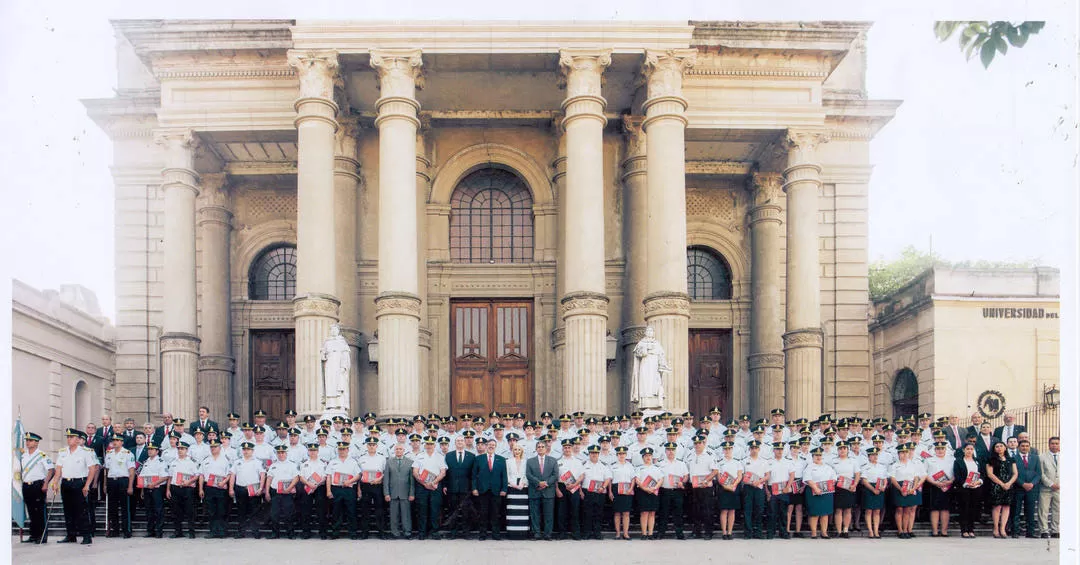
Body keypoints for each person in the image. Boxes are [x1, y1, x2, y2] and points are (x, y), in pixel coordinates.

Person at [50, 428, 99, 545]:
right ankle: (71, 535)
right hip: (66, 483)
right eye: (67, 437)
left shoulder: (85, 452)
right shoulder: (63, 452)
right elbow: (58, 470)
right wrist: (55, 482)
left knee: (81, 511)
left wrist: (87, 485)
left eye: (71, 437)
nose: (69, 439)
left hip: (79, 483)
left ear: (78, 439)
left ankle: (86, 536)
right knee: (68, 510)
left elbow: (92, 469)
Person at [19, 432, 55, 544]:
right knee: (31, 511)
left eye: (30, 440)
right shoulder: (23, 455)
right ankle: (33, 535)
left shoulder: (42, 455)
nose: (27, 442)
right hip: (26, 485)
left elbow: (51, 470)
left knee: (40, 511)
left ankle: (42, 536)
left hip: (37, 485)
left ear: (36, 442)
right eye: (27, 440)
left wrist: (46, 483)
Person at [472, 435, 508, 540]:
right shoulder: (479, 458)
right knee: (483, 513)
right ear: (486, 446)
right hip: (482, 490)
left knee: (495, 513)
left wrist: (504, 489)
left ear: (496, 446)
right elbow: (474, 475)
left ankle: (496, 534)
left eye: (493, 445)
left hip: (496, 491)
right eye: (489, 444)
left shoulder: (501, 459)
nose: (491, 446)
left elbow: (504, 476)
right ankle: (482, 534)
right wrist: (474, 488)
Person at [411, 437, 447, 540]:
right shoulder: (420, 456)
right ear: (425, 445)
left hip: (435, 486)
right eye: (428, 444)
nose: (429, 446)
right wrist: (424, 483)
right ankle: (422, 532)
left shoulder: (440, 457)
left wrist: (433, 482)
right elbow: (415, 472)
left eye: (431, 444)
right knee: (422, 510)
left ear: (434, 446)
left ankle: (434, 532)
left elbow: (443, 472)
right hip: (422, 486)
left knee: (435, 509)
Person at [685, 436, 719, 540]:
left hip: (706, 487)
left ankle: (708, 532)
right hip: (694, 487)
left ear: (704, 443)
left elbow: (715, 471)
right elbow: (687, 471)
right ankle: (697, 532)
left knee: (707, 510)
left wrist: (707, 480)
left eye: (700, 443)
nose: (697, 445)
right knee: (695, 510)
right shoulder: (690, 455)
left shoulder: (709, 455)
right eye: (695, 443)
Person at [198, 439, 233, 539]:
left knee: (222, 510)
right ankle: (213, 531)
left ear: (220, 447)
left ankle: (222, 531)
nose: (213, 448)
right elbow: (201, 475)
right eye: (211, 447)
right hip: (209, 488)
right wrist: (201, 489)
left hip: (221, 488)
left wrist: (224, 482)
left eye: (215, 447)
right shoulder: (206, 460)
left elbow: (230, 474)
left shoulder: (225, 460)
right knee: (211, 511)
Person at [326, 441, 362, 539]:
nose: (342, 451)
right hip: (336, 489)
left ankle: (353, 532)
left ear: (347, 450)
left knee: (351, 511)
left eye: (344, 449)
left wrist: (350, 481)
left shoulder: (353, 461)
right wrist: (328, 490)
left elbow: (359, 475)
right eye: (340, 449)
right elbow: (328, 476)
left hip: (349, 489)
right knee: (336, 512)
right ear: (337, 450)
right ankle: (335, 532)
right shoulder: (333, 462)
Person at [102, 434, 136, 538]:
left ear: (122, 442)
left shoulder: (127, 453)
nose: (115, 442)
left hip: (123, 480)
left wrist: (130, 486)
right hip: (112, 481)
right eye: (113, 440)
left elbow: (131, 471)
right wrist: (105, 484)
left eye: (117, 440)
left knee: (125, 507)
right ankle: (115, 530)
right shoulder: (109, 453)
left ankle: (126, 530)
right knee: (112, 507)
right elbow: (106, 470)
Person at [231, 441, 266, 539]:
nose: (246, 451)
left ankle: (255, 531)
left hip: (253, 489)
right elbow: (233, 475)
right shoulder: (237, 462)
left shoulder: (257, 462)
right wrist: (231, 488)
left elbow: (262, 475)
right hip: (240, 489)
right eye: (244, 449)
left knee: (254, 511)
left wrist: (261, 488)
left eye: (248, 449)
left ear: (252, 451)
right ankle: (241, 532)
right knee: (241, 511)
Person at [526, 440, 559, 540]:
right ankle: (536, 533)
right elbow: (528, 474)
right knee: (535, 513)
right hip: (534, 490)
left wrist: (546, 483)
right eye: (539, 447)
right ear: (536, 449)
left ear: (546, 448)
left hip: (548, 491)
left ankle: (547, 534)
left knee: (548, 514)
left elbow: (555, 475)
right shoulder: (530, 461)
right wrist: (538, 483)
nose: (540, 448)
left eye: (542, 447)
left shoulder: (553, 460)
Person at [889, 443, 924, 539]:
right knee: (900, 509)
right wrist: (900, 489)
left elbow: (916, 477)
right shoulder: (895, 465)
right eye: (902, 453)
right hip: (898, 487)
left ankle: (906, 530)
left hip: (911, 486)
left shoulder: (913, 464)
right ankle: (900, 530)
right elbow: (892, 478)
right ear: (898, 454)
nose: (904, 454)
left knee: (908, 510)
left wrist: (913, 488)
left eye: (906, 452)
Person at [443, 436, 475, 538]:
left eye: (462, 441)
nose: (460, 442)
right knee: (453, 510)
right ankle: (453, 532)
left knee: (466, 511)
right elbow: (445, 472)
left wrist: (472, 487)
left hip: (466, 488)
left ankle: (466, 532)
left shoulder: (471, 456)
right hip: (452, 487)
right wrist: (445, 485)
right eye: (458, 441)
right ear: (455, 443)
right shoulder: (448, 456)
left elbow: (473, 474)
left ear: (465, 442)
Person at [265, 444, 299, 539]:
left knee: (289, 514)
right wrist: (267, 492)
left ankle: (290, 533)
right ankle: (275, 533)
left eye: (283, 452)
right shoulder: (273, 465)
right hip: (275, 492)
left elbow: (296, 478)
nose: (281, 455)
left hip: (287, 493)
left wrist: (289, 488)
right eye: (279, 453)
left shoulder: (292, 465)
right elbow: (269, 478)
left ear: (286, 453)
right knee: (274, 514)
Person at [165, 442, 199, 538]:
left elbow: (197, 476)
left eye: (182, 449)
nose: (180, 450)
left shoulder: (192, 462)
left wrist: (189, 482)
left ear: (187, 450)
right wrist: (168, 490)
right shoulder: (173, 462)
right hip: (175, 488)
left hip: (188, 489)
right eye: (179, 449)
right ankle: (178, 532)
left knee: (190, 511)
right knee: (176, 511)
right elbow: (170, 477)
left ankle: (191, 532)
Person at [357, 437, 389, 539]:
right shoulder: (361, 458)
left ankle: (381, 532)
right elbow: (359, 475)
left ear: (377, 446)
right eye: (369, 445)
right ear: (367, 446)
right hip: (365, 486)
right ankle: (364, 532)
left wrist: (379, 479)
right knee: (364, 510)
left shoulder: (382, 458)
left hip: (377, 485)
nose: (371, 446)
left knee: (380, 510)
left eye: (373, 445)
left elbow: (385, 473)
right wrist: (358, 489)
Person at [656, 442, 688, 540]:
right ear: (665, 451)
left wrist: (682, 482)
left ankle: (679, 533)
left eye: (673, 450)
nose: (671, 452)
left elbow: (686, 476)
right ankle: (661, 533)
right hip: (664, 491)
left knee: (678, 513)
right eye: (669, 450)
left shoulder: (681, 463)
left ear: (675, 451)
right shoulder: (660, 464)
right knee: (663, 513)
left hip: (677, 491)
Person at [985, 440, 1016, 538]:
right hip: (996, 486)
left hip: (1008, 486)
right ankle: (995, 528)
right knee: (997, 507)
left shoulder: (1011, 460)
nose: (999, 448)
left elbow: (1015, 473)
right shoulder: (991, 459)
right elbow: (990, 474)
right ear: (994, 449)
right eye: (997, 446)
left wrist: (1009, 483)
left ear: (1005, 447)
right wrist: (1002, 484)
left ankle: (1003, 528)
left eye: (1001, 446)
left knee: (1006, 507)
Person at [136, 442, 168, 538]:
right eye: (149, 449)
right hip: (147, 489)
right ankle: (150, 531)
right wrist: (142, 490)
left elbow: (165, 477)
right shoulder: (146, 461)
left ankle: (159, 531)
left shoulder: (161, 462)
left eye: (152, 449)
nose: (149, 451)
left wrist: (154, 484)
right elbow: (142, 477)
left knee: (158, 510)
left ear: (157, 451)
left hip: (157, 489)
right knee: (149, 510)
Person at [952, 443, 983, 538]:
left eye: (971, 449)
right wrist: (965, 484)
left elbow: (982, 474)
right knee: (964, 509)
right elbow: (957, 476)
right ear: (963, 450)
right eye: (967, 449)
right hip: (964, 489)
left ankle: (971, 529)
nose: (969, 451)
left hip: (976, 488)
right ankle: (964, 530)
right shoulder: (958, 461)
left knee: (973, 509)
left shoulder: (977, 461)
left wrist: (979, 482)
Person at [298, 442, 329, 539]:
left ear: (318, 451)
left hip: (319, 488)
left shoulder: (323, 463)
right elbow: (301, 477)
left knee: (321, 511)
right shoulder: (304, 463)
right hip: (307, 487)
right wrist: (309, 484)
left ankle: (322, 532)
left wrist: (316, 484)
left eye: (314, 450)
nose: (313, 452)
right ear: (308, 451)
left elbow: (325, 476)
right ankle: (306, 532)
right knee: (306, 510)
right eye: (311, 450)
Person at [803, 447, 836, 539]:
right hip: (813, 492)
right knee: (815, 513)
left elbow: (834, 478)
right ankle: (814, 533)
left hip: (827, 492)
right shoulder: (809, 467)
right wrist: (815, 488)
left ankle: (824, 533)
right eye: (816, 455)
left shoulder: (827, 467)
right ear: (812, 456)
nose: (818, 457)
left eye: (820, 455)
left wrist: (829, 485)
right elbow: (807, 479)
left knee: (825, 513)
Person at [923, 440, 955, 537]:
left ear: (945, 449)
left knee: (945, 508)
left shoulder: (951, 459)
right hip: (933, 486)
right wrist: (933, 482)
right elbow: (924, 473)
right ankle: (935, 531)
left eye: (942, 449)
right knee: (934, 509)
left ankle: (944, 531)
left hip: (947, 486)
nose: (940, 451)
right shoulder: (929, 460)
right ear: (934, 449)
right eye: (938, 449)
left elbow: (956, 472)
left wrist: (951, 481)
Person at [554, 439, 584, 540]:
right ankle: (562, 533)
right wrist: (557, 489)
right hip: (562, 486)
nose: (567, 449)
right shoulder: (558, 462)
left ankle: (576, 532)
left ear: (572, 448)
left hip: (574, 486)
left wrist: (575, 484)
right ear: (562, 449)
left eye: (569, 447)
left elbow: (582, 475)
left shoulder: (577, 461)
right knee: (562, 511)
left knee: (575, 510)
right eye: (565, 447)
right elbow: (555, 477)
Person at [580, 445, 611, 540]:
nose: (594, 455)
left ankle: (597, 533)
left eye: (596, 453)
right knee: (587, 513)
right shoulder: (584, 464)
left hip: (600, 491)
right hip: (587, 491)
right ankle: (587, 533)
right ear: (589, 454)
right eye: (592, 453)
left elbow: (607, 478)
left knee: (599, 513)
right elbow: (579, 479)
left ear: (599, 454)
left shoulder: (604, 465)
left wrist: (603, 487)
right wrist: (580, 491)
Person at [830, 440, 859, 538]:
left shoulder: (853, 461)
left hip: (849, 486)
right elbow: (830, 473)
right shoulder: (833, 461)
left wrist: (855, 484)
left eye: (844, 448)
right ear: (837, 450)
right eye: (840, 449)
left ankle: (845, 530)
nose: (842, 450)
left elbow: (857, 474)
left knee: (848, 509)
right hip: (837, 487)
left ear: (848, 450)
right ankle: (839, 531)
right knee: (838, 510)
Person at [766, 441, 795, 540]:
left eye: (781, 449)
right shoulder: (769, 462)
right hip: (772, 488)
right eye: (777, 449)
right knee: (772, 512)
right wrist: (767, 491)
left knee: (783, 512)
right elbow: (766, 477)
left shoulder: (788, 462)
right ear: (774, 450)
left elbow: (792, 475)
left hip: (784, 489)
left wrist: (788, 486)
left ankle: (783, 532)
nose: (779, 451)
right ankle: (771, 532)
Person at [1013, 438, 1041, 538]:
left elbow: (1038, 474)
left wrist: (1032, 484)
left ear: (1029, 447)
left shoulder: (1035, 458)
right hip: (1018, 488)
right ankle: (1015, 532)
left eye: (1027, 446)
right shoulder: (1014, 458)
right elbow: (1013, 473)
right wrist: (1022, 484)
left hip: (1031, 489)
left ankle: (1030, 532)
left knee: (1030, 511)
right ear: (1018, 447)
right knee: (1016, 510)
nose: (1025, 448)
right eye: (1022, 446)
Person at [741, 439, 769, 540]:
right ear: (749, 449)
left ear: (759, 449)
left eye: (756, 448)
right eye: (752, 448)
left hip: (759, 487)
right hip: (748, 487)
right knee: (748, 510)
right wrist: (749, 482)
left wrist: (759, 481)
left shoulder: (764, 461)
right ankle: (748, 532)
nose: (754, 450)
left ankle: (758, 531)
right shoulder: (745, 460)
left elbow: (767, 475)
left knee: (759, 509)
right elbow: (742, 475)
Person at [634, 447, 663, 540]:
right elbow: (637, 480)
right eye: (646, 456)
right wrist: (645, 488)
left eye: (650, 455)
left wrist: (655, 487)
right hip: (643, 492)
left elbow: (661, 479)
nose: (648, 457)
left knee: (652, 513)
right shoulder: (639, 468)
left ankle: (650, 534)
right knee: (644, 513)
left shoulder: (656, 468)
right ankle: (644, 533)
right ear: (643, 458)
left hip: (654, 492)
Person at [859, 447, 888, 539]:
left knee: (877, 511)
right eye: (872, 455)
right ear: (868, 457)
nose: (875, 457)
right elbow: (864, 481)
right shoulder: (865, 467)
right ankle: (870, 531)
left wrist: (883, 486)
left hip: (879, 488)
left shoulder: (882, 466)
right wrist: (873, 489)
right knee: (869, 510)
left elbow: (885, 479)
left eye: (876, 455)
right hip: (869, 489)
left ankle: (876, 530)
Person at [609, 446, 635, 540]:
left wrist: (631, 488)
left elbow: (633, 479)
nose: (621, 455)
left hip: (627, 489)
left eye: (623, 454)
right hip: (616, 489)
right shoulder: (613, 466)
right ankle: (617, 533)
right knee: (617, 513)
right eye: (620, 454)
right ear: (617, 455)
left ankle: (626, 533)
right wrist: (610, 492)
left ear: (626, 455)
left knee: (626, 513)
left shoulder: (630, 466)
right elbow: (610, 480)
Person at [505, 445, 530, 540]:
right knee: (513, 511)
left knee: (522, 511)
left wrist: (523, 483)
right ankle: (512, 533)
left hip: (523, 488)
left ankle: (523, 533)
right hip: (512, 488)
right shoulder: (508, 461)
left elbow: (527, 474)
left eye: (519, 449)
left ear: (522, 451)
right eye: (515, 449)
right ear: (512, 451)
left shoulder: (526, 461)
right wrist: (513, 485)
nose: (517, 451)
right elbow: (507, 474)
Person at [1038, 436, 1060, 539]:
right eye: (1053, 443)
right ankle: (1044, 530)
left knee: (1058, 510)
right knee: (1043, 510)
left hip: (1059, 488)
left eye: (1056, 443)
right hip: (1046, 488)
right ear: (1049, 444)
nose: (1054, 445)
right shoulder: (1042, 457)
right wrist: (1050, 484)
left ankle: (1056, 530)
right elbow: (1041, 473)